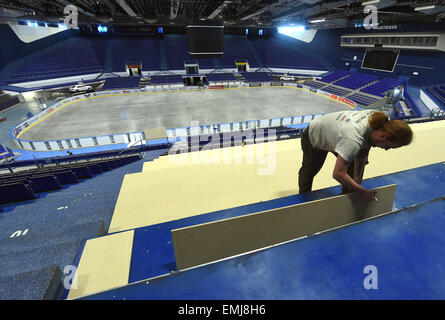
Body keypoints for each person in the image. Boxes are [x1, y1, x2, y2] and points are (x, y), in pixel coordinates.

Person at [298, 110, 413, 201]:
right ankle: (303, 197)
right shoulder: (353, 138)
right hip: (316, 135)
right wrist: (363, 191)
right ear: (383, 137)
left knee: (353, 169)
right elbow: (338, 174)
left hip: (339, 134)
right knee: (310, 170)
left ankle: (347, 196)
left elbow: (364, 150)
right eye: (389, 146)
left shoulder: (383, 122)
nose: (386, 149)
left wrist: (357, 177)